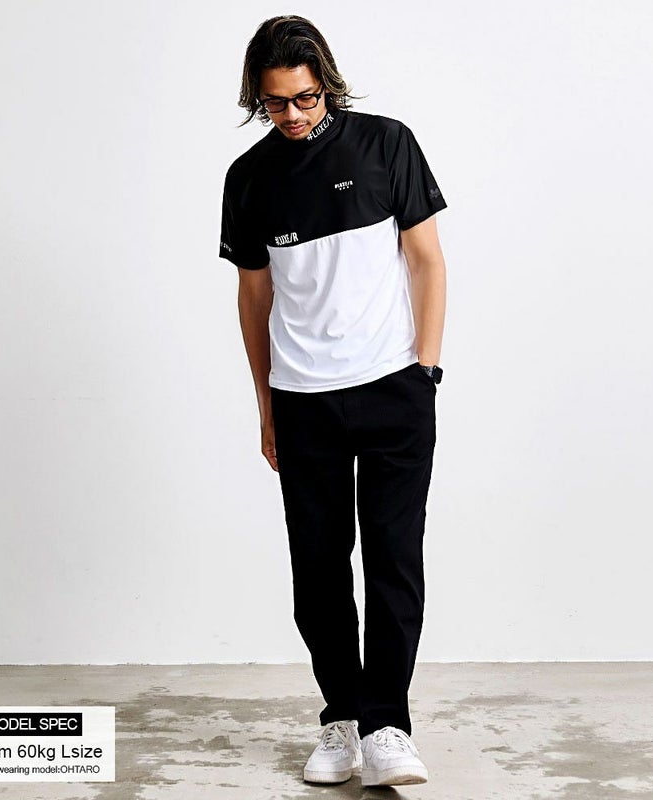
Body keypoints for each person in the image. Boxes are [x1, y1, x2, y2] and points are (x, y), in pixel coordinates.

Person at [219, 15, 447, 788]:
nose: (292, 115)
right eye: (276, 102)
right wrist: (265, 408)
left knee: (393, 562)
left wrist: (426, 371)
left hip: (393, 390)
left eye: (305, 99)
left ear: (328, 85)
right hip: (303, 400)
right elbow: (254, 301)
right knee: (317, 571)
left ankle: (388, 727)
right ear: (258, 97)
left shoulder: (387, 145)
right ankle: (342, 720)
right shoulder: (249, 178)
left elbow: (427, 260)